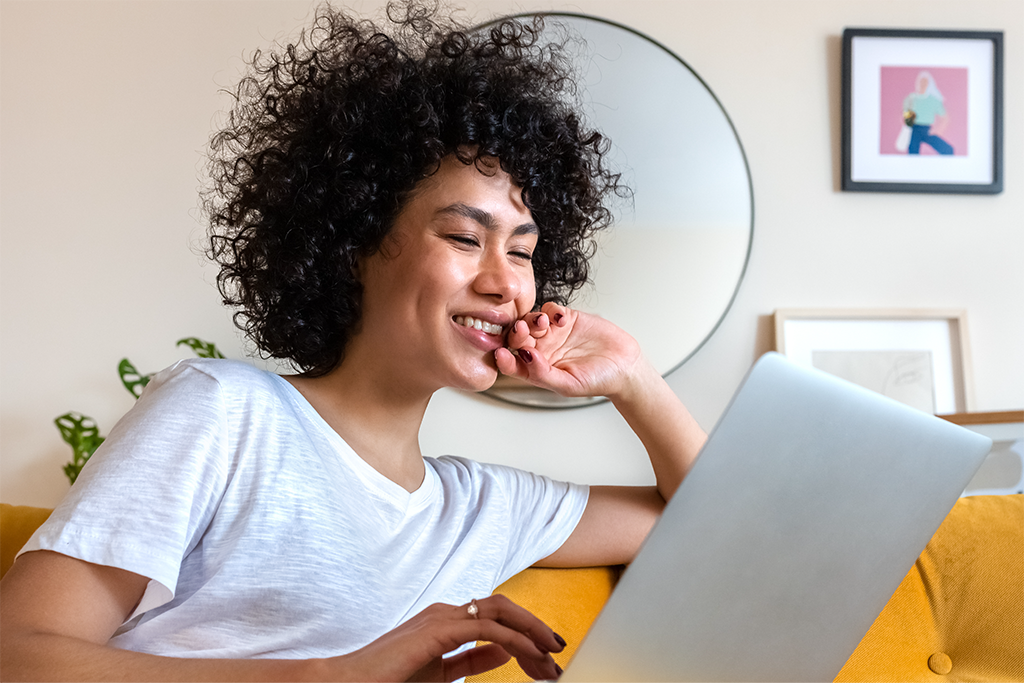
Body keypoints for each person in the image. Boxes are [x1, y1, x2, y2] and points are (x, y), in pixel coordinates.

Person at [0, 3, 706, 682]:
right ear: (353, 245)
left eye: (522, 252)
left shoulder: (484, 509)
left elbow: (713, 526)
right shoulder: (223, 414)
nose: (505, 282)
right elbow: (20, 654)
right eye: (465, 237)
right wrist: (334, 674)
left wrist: (632, 376)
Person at [903, 71, 954, 155]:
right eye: (920, 82)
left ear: (929, 84)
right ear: (917, 83)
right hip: (915, 130)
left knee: (948, 150)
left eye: (925, 82)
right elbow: (907, 119)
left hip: (927, 130)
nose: (922, 84)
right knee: (912, 154)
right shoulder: (911, 98)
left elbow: (945, 118)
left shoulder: (933, 100)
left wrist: (938, 131)